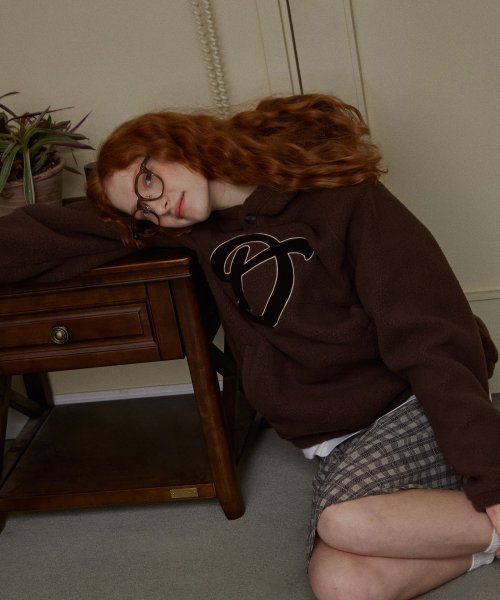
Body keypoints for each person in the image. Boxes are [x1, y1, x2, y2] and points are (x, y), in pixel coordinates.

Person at [2, 93, 500, 600]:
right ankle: (484, 538)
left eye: (147, 182)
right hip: (338, 435)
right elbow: (56, 231)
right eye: (143, 212)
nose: (158, 208)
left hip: (407, 402)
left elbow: (432, 335)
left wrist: (490, 476)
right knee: (341, 585)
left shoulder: (340, 196)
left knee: (343, 523)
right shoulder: (194, 231)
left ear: (175, 141)